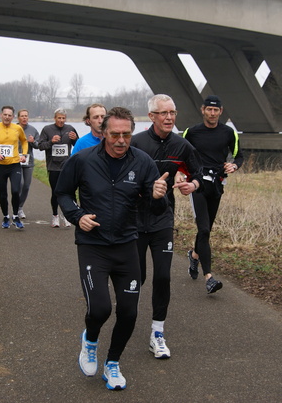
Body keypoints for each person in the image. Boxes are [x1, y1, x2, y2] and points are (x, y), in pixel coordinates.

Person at [56, 106, 169, 391]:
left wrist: (157, 197)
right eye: (115, 134)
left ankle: (113, 363)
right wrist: (77, 215)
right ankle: (90, 340)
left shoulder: (143, 162)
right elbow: (63, 192)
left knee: (129, 312)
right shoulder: (82, 160)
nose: (121, 141)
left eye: (127, 135)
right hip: (93, 245)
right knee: (100, 308)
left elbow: (156, 209)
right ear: (103, 133)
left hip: (127, 244)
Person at [130, 94, 203, 359]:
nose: (169, 117)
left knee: (163, 276)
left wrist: (191, 185)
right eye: (163, 113)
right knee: (137, 277)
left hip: (163, 220)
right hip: (135, 221)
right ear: (151, 116)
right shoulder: (135, 143)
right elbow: (119, 179)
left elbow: (199, 173)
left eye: (173, 112)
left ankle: (157, 333)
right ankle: (126, 320)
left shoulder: (181, 145)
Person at [183, 95, 243, 293]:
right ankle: (208, 277)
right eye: (209, 109)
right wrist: (181, 175)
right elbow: (179, 153)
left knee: (206, 229)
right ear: (203, 110)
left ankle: (194, 257)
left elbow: (238, 155)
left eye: (215, 110)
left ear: (221, 111)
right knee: (204, 230)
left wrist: (233, 165)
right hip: (197, 184)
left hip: (217, 184)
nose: (212, 113)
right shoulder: (191, 132)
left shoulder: (228, 133)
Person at [0, 105, 28, 229]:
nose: (7, 117)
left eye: (10, 115)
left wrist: (24, 154)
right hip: (0, 166)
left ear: (13, 117)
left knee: (15, 190)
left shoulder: (17, 128)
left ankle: (15, 216)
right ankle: (5, 216)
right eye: (5, 115)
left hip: (14, 164)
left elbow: (24, 141)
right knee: (3, 194)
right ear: (1, 115)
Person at [37, 108, 77, 227]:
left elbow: (78, 144)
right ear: (55, 118)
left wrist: (75, 139)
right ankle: (55, 216)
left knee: (68, 192)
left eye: (63, 118)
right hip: (53, 167)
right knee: (55, 192)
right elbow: (40, 146)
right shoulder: (47, 129)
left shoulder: (70, 129)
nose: (61, 120)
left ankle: (66, 215)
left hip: (66, 166)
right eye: (59, 118)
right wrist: (51, 142)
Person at [16, 109, 39, 219]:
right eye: (22, 116)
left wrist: (33, 142)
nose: (24, 118)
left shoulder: (33, 130)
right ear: (18, 118)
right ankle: (16, 206)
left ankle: (20, 207)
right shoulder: (13, 129)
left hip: (28, 161)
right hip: (16, 161)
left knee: (26, 186)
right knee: (19, 184)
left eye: (26, 116)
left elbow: (39, 145)